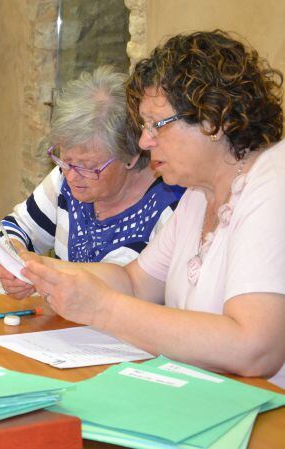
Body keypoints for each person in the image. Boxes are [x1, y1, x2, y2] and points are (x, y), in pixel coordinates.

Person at [20, 30, 285, 386]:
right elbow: (135, 282)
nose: (144, 141)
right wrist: (41, 268)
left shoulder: (273, 185)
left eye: (155, 125)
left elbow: (255, 348)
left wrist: (102, 307)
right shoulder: (198, 193)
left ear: (213, 120)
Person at [0, 66, 184, 298]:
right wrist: (14, 259)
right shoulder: (66, 175)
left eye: (89, 167)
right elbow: (11, 228)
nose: (72, 176)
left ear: (131, 155)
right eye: (65, 160)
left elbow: (130, 287)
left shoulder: (170, 205)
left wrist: (41, 271)